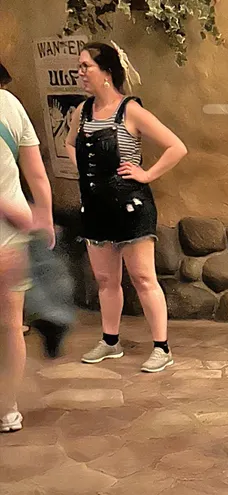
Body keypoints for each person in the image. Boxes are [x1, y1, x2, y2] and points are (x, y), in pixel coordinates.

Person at [65, 42, 187, 373]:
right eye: (79, 66)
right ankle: (110, 341)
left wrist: (146, 174)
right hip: (95, 206)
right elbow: (70, 143)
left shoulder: (130, 111)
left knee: (143, 277)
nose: (80, 73)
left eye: (86, 66)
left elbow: (176, 147)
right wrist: (84, 171)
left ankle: (162, 347)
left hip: (131, 206)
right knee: (106, 279)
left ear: (106, 72)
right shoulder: (82, 112)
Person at [0, 87, 55, 432]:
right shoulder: (10, 104)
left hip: (9, 224)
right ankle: (7, 409)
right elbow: (35, 172)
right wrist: (44, 216)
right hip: (11, 233)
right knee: (10, 325)